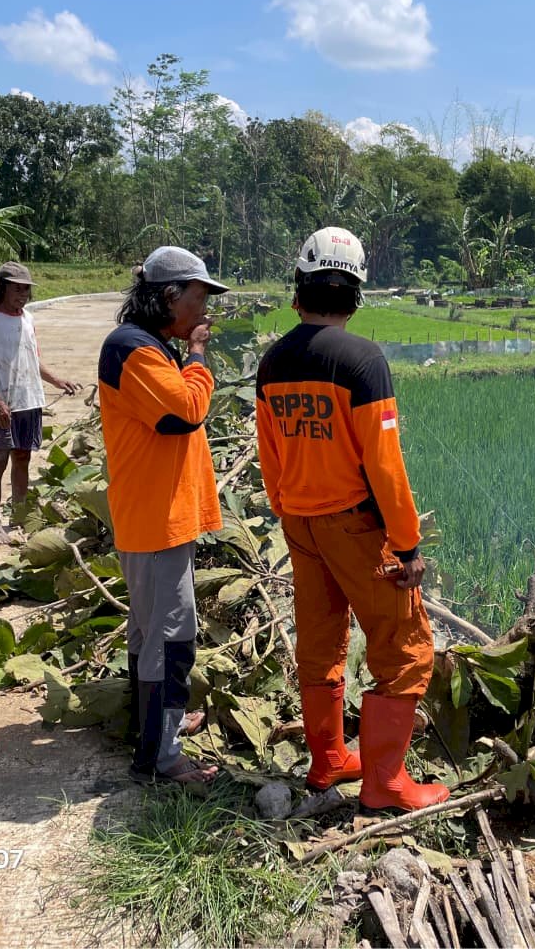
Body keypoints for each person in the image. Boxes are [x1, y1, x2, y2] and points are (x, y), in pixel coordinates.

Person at [255, 227, 448, 814]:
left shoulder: (273, 361)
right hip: (357, 529)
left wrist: (290, 511)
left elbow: (270, 455)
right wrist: (408, 543)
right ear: (356, 296)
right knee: (406, 650)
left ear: (299, 292)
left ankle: (329, 759)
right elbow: (385, 465)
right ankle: (385, 784)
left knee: (319, 641)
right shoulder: (363, 361)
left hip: (300, 523)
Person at [97, 246, 228, 785]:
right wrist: (197, 357)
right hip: (155, 521)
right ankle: (162, 759)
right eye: (199, 298)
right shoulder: (135, 349)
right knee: (171, 638)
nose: (204, 312)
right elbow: (183, 413)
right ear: (170, 296)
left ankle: (153, 732)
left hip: (158, 517)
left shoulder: (147, 345)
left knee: (150, 632)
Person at [0, 261, 81, 545]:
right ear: (2, 288)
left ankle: (18, 518)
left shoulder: (28, 319)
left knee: (23, 458)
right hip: (2, 402)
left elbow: (33, 359)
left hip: (29, 401)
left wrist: (57, 380)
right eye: (17, 288)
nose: (23, 294)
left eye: (26, 290)